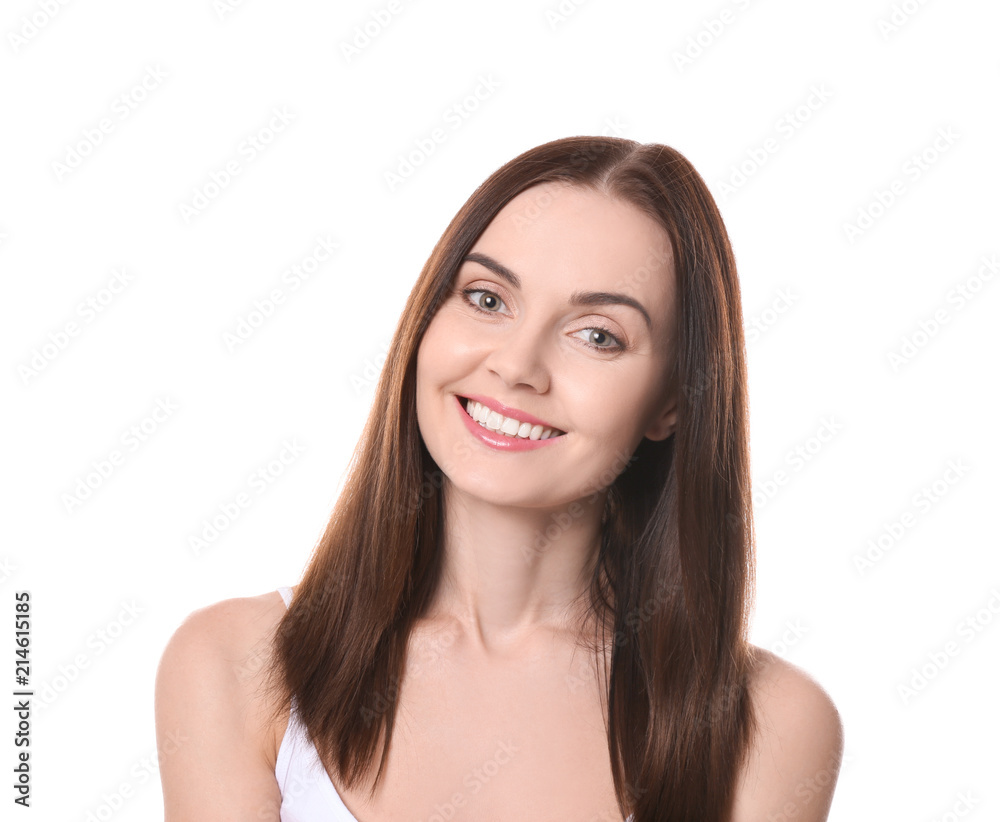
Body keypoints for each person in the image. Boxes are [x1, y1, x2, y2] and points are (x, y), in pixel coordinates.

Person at [154, 136, 844, 821]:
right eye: (487, 299)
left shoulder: (768, 727)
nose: (516, 366)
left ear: (672, 402)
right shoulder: (236, 665)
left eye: (597, 334)